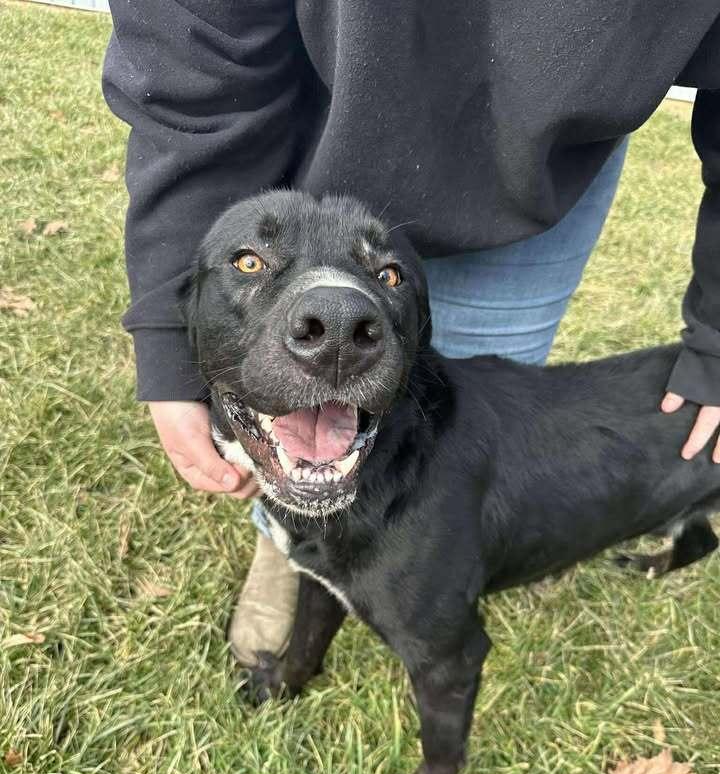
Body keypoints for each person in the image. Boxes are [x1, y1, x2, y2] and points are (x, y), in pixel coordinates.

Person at [102, 2, 720, 667]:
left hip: (539, 169)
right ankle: (292, 543)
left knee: (458, 470)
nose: (337, 326)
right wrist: (167, 344)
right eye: (252, 263)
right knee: (291, 416)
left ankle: (423, 567)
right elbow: (188, 39)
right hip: (311, 107)